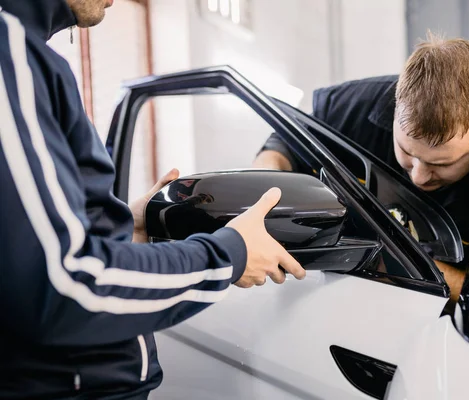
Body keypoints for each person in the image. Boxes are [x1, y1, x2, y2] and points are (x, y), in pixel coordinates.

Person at [0, 0, 304, 398]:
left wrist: (124, 225)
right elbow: (62, 285)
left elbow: (21, 252)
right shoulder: (12, 59)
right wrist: (229, 254)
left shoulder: (29, 58)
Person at [254, 33, 469, 301]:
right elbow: (282, 143)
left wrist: (392, 257)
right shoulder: (356, 106)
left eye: (441, 164)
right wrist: (270, 203)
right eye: (407, 151)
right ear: (395, 107)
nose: (419, 177)